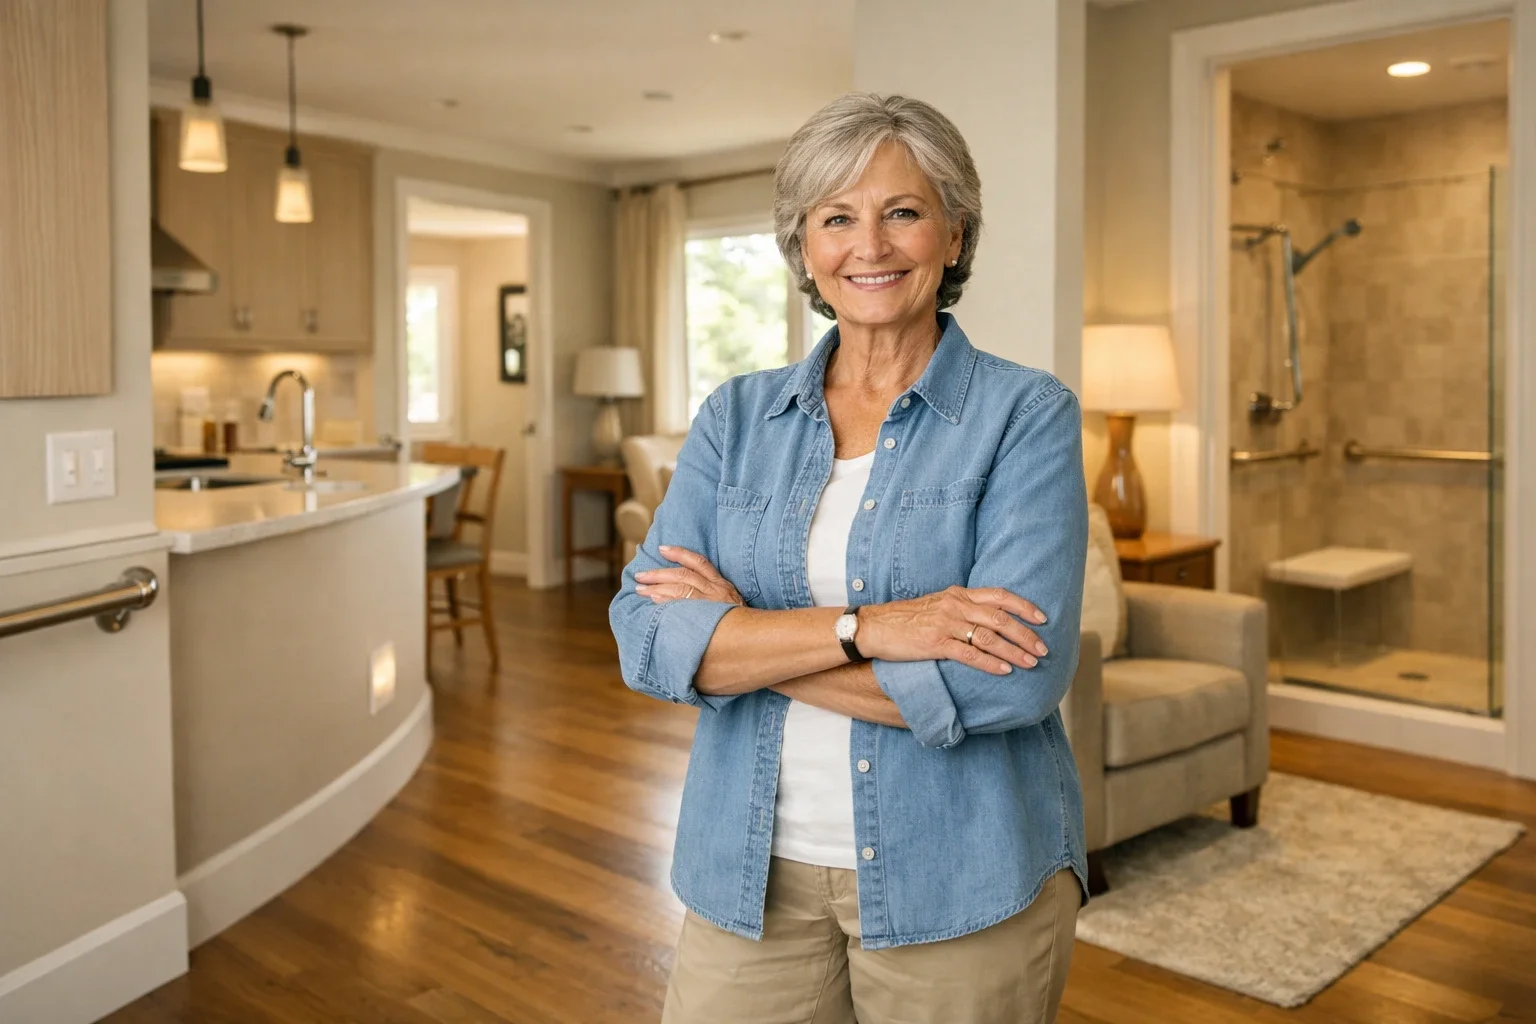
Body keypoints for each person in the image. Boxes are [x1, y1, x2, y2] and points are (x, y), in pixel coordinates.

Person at [609, 92, 1089, 1024]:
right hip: (749, 873)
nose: (869, 245)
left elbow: (1013, 681)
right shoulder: (735, 418)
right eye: (837, 218)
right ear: (804, 249)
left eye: (902, 211)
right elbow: (645, 637)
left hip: (962, 877)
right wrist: (870, 629)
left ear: (954, 235)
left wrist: (742, 641)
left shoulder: (1026, 416)